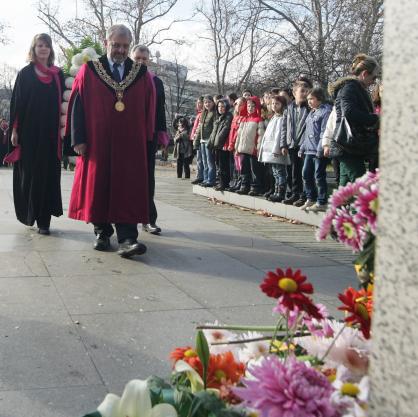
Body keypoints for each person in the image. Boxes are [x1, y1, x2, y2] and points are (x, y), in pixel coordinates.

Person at [65, 24, 155, 258]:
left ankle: (127, 238)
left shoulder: (141, 74)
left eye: (125, 46)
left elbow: (149, 108)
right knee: (98, 186)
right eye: (116, 45)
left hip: (130, 146)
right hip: (97, 143)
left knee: (128, 188)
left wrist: (149, 139)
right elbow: (77, 105)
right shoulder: (90, 70)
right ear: (106, 43)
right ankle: (102, 233)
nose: (121, 50)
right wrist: (79, 139)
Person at [9, 33, 64, 235]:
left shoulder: (59, 75)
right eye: (39, 45)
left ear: (50, 49)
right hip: (29, 133)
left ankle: (44, 221)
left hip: (51, 135)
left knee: (48, 175)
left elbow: (66, 103)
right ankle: (29, 212)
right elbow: (18, 104)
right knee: (30, 175)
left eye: (46, 45)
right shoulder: (25, 73)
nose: (43, 49)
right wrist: (15, 130)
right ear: (33, 48)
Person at [131, 44, 167, 235]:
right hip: (127, 136)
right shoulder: (123, 79)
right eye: (137, 58)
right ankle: (122, 218)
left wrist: (162, 133)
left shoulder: (156, 82)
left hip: (148, 136)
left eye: (144, 59)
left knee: (147, 179)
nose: (140, 62)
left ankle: (148, 219)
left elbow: (160, 110)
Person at [329, 54, 379, 185]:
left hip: (349, 145)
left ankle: (339, 206)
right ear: (364, 74)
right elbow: (349, 112)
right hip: (346, 145)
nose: (374, 81)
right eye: (374, 77)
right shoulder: (350, 88)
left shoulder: (356, 88)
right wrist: (374, 119)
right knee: (363, 186)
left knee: (344, 190)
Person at [299, 87, 332, 211]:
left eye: (311, 99)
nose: (309, 102)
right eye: (308, 99)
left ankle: (322, 201)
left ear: (319, 99)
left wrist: (320, 149)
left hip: (318, 151)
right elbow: (306, 132)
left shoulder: (325, 112)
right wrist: (302, 147)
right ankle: (310, 198)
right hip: (308, 150)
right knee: (306, 174)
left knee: (319, 176)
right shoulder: (311, 112)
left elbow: (324, 131)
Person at [280, 79, 310, 206]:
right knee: (293, 172)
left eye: (307, 91)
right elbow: (284, 127)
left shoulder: (309, 108)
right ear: (294, 92)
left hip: (304, 145)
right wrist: (283, 144)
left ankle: (303, 195)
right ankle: (294, 193)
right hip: (291, 144)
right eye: (302, 91)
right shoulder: (289, 108)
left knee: (303, 172)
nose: (304, 94)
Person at [258, 95, 290, 202]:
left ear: (282, 105)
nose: (274, 106)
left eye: (277, 104)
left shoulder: (281, 119)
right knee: (275, 172)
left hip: (276, 150)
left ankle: (281, 192)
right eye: (272, 104)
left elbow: (278, 136)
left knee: (280, 172)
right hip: (270, 150)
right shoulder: (274, 117)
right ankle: (276, 191)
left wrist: (276, 149)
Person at [234, 96, 265, 195]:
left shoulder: (258, 119)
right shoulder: (244, 119)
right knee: (244, 169)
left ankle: (255, 187)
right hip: (243, 149)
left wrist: (259, 148)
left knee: (254, 170)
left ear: (256, 107)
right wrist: (237, 148)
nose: (250, 108)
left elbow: (260, 136)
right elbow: (239, 135)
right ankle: (244, 185)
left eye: (252, 106)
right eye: (248, 106)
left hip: (253, 150)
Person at [208, 98, 233, 191]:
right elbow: (214, 132)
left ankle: (224, 183)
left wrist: (217, 143)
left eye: (222, 106)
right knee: (218, 164)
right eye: (219, 106)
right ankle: (221, 182)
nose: (220, 108)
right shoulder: (219, 117)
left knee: (223, 165)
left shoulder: (228, 116)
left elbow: (225, 130)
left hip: (223, 145)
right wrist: (211, 144)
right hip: (217, 145)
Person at [193, 95, 216, 187]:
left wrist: (211, 140)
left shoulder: (214, 113)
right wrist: (196, 141)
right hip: (202, 141)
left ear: (213, 103)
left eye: (209, 102)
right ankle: (206, 179)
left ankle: (211, 179)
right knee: (204, 161)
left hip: (208, 141)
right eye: (205, 102)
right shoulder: (203, 113)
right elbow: (199, 129)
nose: (207, 104)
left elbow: (214, 128)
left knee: (210, 162)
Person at [191, 96, 205, 185]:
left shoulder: (203, 114)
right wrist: (192, 136)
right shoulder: (199, 114)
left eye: (200, 103)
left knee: (202, 159)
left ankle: (201, 176)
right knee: (199, 159)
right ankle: (199, 176)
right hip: (196, 138)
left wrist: (196, 135)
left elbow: (200, 127)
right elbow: (195, 127)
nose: (199, 104)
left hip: (201, 139)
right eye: (198, 103)